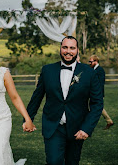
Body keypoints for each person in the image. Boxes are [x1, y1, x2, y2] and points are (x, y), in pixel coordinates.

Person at [26, 36, 103, 165]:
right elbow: (37, 97)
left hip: (77, 128)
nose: (68, 51)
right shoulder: (47, 70)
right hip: (53, 126)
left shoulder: (89, 73)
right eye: (65, 47)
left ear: (77, 50)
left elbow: (97, 103)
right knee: (53, 161)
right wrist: (28, 119)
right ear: (60, 49)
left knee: (72, 162)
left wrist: (86, 128)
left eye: (72, 48)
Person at [89, 55, 114, 130]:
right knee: (96, 107)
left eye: (91, 61)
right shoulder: (93, 69)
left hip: (97, 93)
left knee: (98, 108)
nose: (89, 63)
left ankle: (109, 121)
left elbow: (100, 83)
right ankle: (109, 121)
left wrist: (97, 93)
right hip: (93, 93)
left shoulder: (100, 70)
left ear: (95, 62)